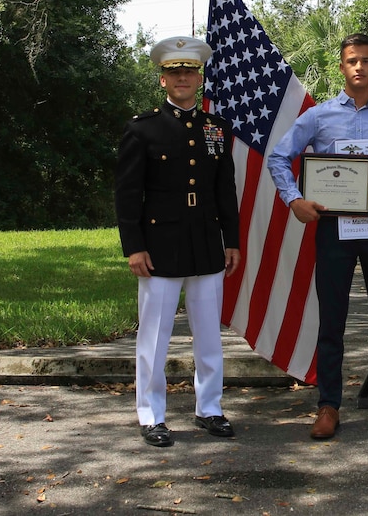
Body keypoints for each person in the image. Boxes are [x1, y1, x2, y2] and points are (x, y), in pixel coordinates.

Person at [266, 33, 368, 440]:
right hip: (334, 230)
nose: (359, 66)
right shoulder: (318, 118)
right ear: (342, 67)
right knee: (332, 321)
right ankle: (328, 405)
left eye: (367, 60)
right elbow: (279, 156)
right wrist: (294, 199)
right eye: (352, 60)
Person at [115, 36, 241, 448]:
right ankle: (151, 415)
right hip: (159, 246)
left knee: (209, 334)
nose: (182, 78)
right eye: (174, 72)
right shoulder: (142, 130)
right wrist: (134, 246)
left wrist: (232, 240)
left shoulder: (216, 129)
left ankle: (210, 408)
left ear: (199, 77)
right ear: (162, 80)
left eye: (189, 71)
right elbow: (128, 195)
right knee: (153, 336)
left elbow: (226, 191)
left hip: (206, 242)